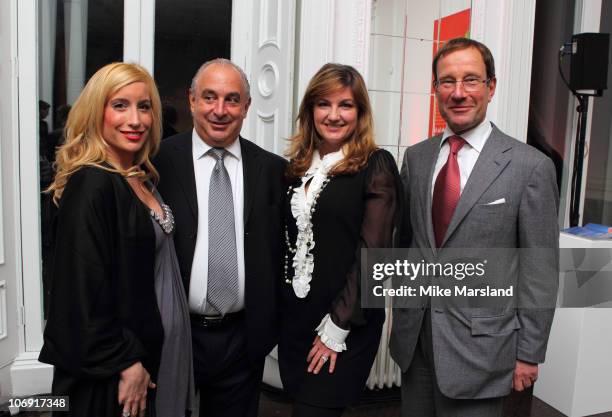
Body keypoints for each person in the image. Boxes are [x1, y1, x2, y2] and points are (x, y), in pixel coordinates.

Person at [390, 38, 559, 417]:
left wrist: (529, 352)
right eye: (447, 82)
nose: (458, 92)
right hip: (414, 341)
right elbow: (409, 244)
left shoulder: (529, 167)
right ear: (435, 90)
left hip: (483, 349)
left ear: (491, 86)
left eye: (471, 80)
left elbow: (540, 270)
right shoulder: (417, 158)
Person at [39, 62, 195, 417]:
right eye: (120, 105)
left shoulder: (139, 177)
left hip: (153, 355)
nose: (136, 120)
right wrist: (125, 362)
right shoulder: (92, 183)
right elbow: (82, 291)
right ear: (97, 112)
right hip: (114, 372)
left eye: (145, 107)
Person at [153, 58, 287, 417]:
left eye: (231, 99)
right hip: (173, 334)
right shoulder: (157, 161)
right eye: (209, 97)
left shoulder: (272, 169)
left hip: (241, 339)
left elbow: (280, 253)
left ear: (246, 106)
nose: (220, 110)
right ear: (192, 100)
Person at [279, 63, 401, 417]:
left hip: (344, 324)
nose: (334, 115)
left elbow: (374, 257)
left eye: (345, 105)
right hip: (296, 326)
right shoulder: (298, 166)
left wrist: (336, 328)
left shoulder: (375, 165)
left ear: (360, 113)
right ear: (310, 110)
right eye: (323, 104)